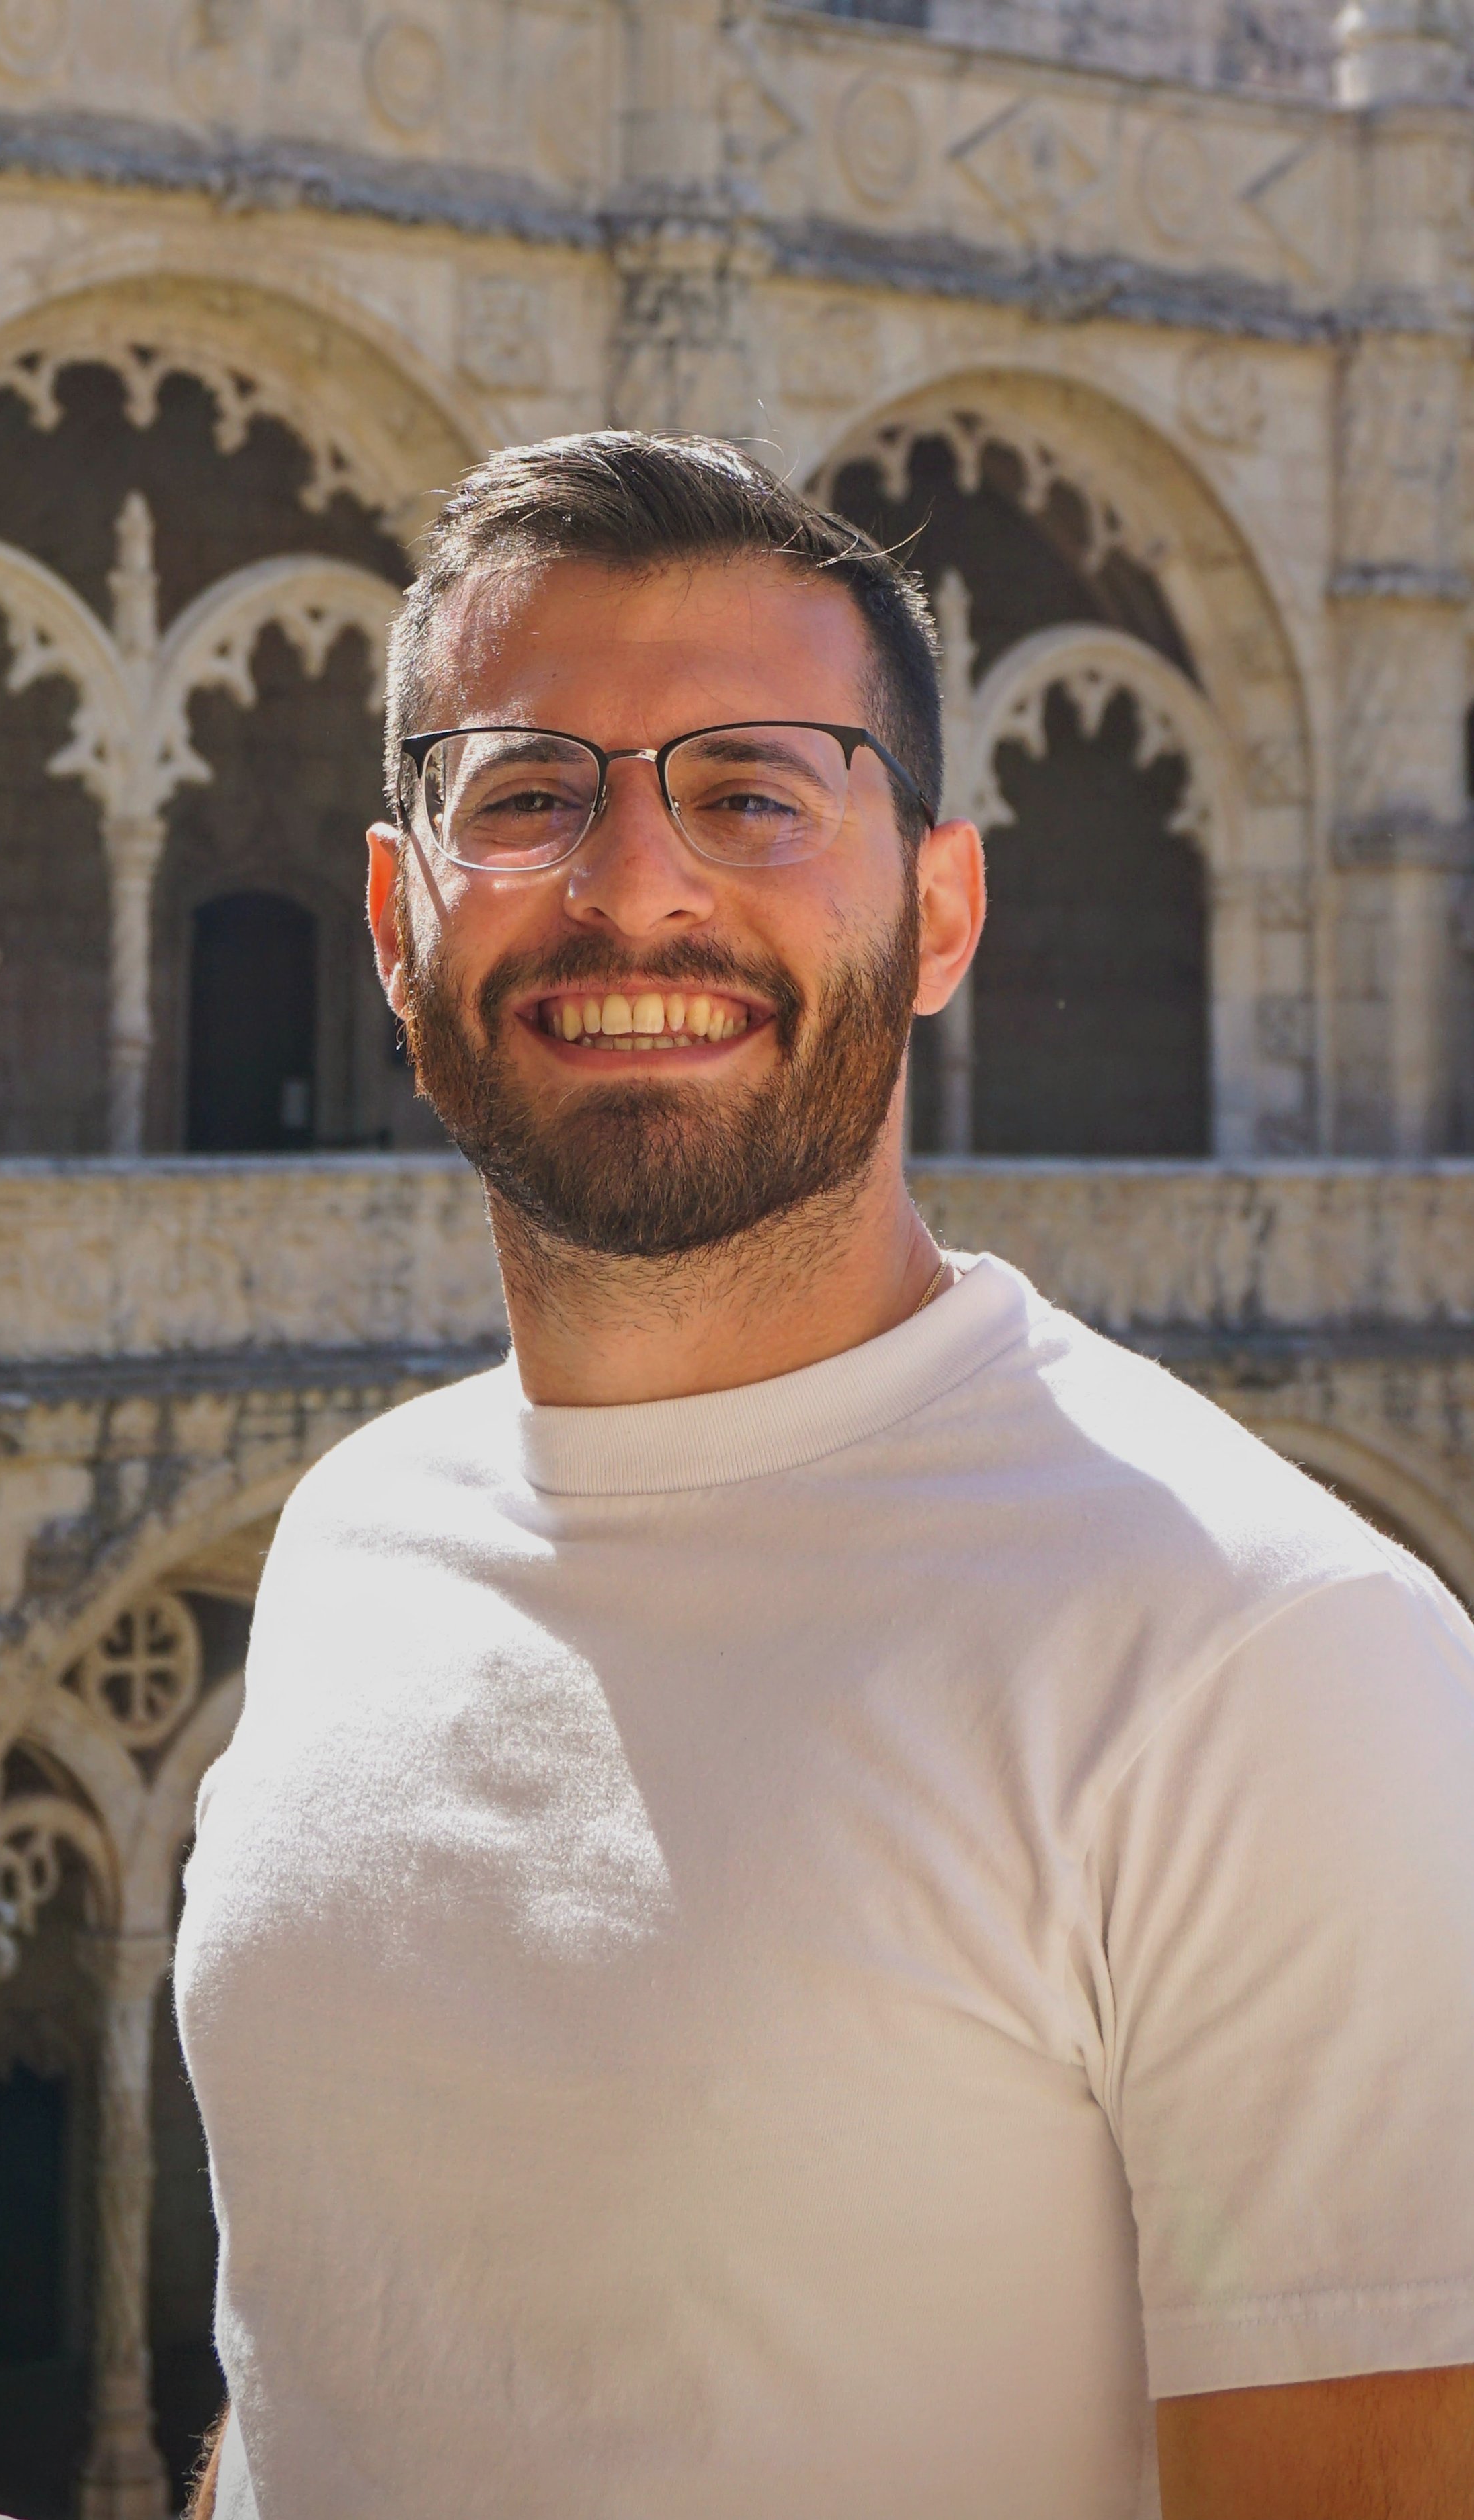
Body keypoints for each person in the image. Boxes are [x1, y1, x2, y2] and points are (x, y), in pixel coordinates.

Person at [176, 431, 1474, 2520]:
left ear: (940, 910)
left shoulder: (1267, 1659)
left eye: (751, 791)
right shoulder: (343, 1546)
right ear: (392, 916)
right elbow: (322, 2367)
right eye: (523, 795)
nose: (631, 884)